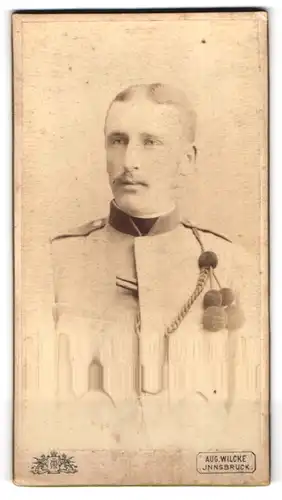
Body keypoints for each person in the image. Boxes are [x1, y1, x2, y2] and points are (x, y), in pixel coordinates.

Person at [50, 83, 261, 448]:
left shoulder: (234, 266)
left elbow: (250, 411)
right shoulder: (55, 260)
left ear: (188, 160)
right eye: (117, 140)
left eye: (151, 142)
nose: (130, 160)